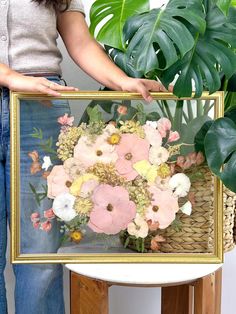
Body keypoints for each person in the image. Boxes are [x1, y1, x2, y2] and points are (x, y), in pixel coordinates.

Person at [0, 0, 171, 313]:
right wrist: (8, 76)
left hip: (39, 107)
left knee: (41, 256)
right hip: (24, 89)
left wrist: (122, 81)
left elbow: (79, 41)